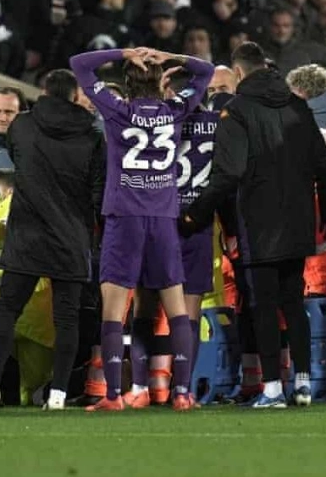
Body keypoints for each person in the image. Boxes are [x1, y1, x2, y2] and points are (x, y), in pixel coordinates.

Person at [181, 42, 326, 408]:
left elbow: (227, 174)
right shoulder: (297, 106)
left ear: (238, 73)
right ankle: (302, 383)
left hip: (259, 221)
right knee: (293, 301)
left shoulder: (236, 112)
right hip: (300, 221)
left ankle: (271, 388)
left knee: (264, 306)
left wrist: (195, 216)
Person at [69, 46, 214, 412]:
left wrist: (123, 52)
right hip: (164, 218)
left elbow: (79, 65)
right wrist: (168, 55)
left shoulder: (117, 110)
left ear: (128, 87)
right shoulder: (174, 110)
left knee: (114, 309)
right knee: (177, 307)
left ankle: (114, 397)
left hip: (124, 216)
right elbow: (206, 71)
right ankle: (182, 393)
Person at [0, 69, 106, 411]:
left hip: (26, 235)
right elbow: (98, 194)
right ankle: (58, 394)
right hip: (71, 238)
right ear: (75, 97)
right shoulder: (91, 136)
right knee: (67, 320)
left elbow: (18, 158)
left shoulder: (23, 125)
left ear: (44, 92)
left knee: (7, 311)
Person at [125, 67, 219, 407]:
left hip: (157, 220)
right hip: (198, 225)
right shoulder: (217, 124)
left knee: (144, 307)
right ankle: (183, 391)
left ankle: (139, 389)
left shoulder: (160, 121)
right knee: (188, 313)